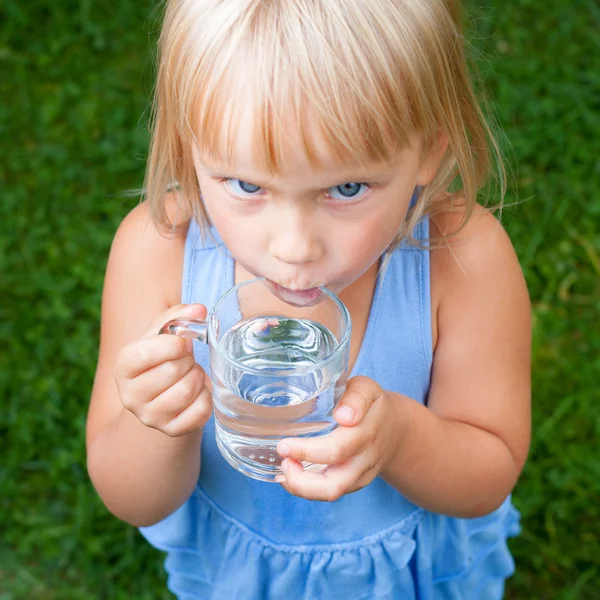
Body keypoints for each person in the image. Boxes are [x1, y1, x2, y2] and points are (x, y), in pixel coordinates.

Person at [86, 0, 531, 598]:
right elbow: (133, 499)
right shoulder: (159, 250)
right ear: (189, 145)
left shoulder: (461, 260)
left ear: (428, 150)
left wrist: (399, 436)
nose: (294, 248)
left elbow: (487, 477)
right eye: (246, 185)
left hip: (405, 572)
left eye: (346, 188)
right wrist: (158, 424)